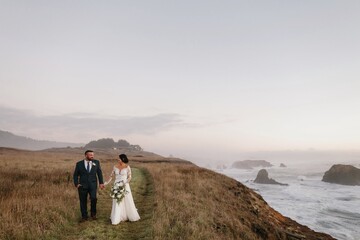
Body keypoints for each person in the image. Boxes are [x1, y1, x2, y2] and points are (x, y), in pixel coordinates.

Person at [105, 154, 140, 225]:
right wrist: (106, 183)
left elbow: (129, 177)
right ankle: (117, 217)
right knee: (117, 200)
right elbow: (111, 176)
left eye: (119, 158)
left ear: (123, 159)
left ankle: (128, 215)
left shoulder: (127, 167)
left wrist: (125, 183)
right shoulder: (115, 167)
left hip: (125, 185)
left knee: (126, 200)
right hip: (116, 185)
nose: (118, 160)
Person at [73, 150, 104, 222]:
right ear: (86, 155)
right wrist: (76, 184)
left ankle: (93, 214)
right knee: (83, 201)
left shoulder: (96, 162)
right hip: (82, 186)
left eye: (93, 155)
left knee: (94, 198)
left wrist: (101, 183)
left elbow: (99, 173)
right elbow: (75, 175)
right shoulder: (79, 164)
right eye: (90, 155)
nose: (92, 156)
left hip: (93, 185)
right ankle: (84, 216)